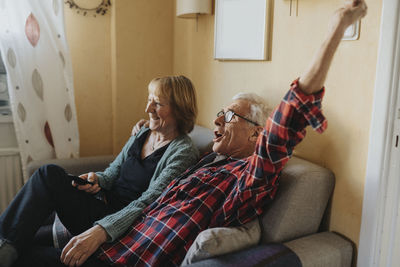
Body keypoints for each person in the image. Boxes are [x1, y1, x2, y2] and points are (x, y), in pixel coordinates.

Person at [9, 1, 368, 266]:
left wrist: (335, 29)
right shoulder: (208, 161)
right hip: (116, 245)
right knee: (19, 250)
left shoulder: (246, 180)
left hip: (129, 260)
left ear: (257, 135)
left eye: (229, 116)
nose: (216, 121)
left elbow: (285, 128)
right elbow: (149, 195)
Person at [0, 75, 200, 267]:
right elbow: (113, 171)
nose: (148, 108)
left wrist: (102, 229)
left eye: (157, 103)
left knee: (25, 247)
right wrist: (98, 179)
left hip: (120, 225)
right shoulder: (143, 132)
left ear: (179, 109)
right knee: (48, 177)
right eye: (149, 100)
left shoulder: (183, 152)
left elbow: (150, 202)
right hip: (100, 205)